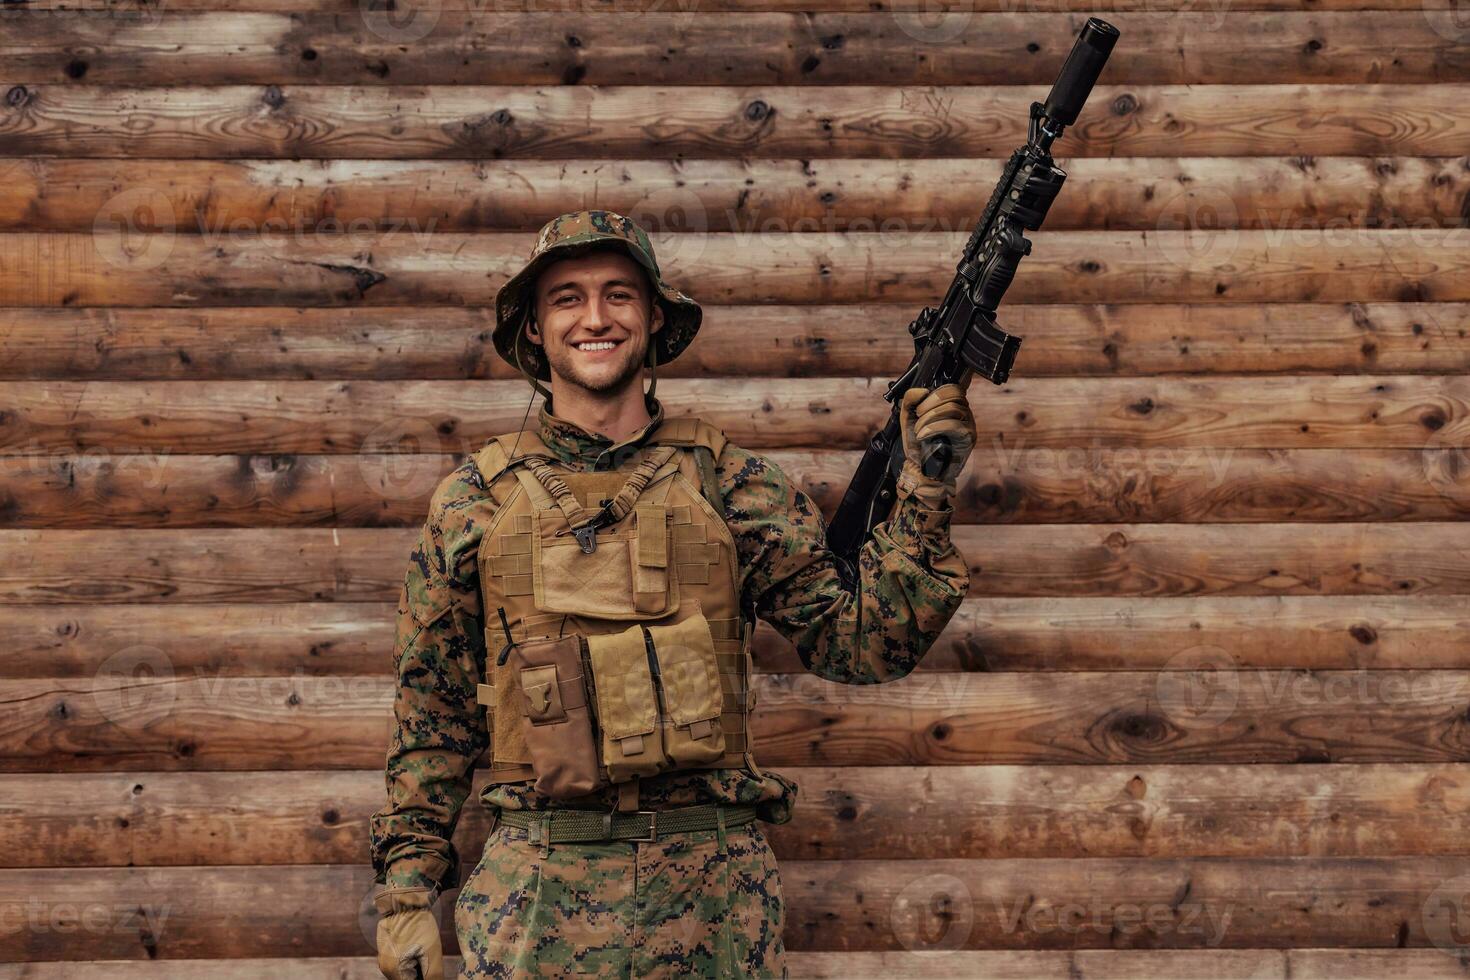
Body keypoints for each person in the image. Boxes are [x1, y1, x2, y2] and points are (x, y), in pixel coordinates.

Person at [370, 210, 976, 979]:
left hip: (713, 891)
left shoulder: (733, 484)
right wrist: (404, 892)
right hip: (536, 891)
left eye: (620, 295)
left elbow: (857, 643)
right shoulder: (472, 503)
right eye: (567, 298)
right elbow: (434, 712)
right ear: (532, 328)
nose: (596, 318)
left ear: (654, 316)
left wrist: (924, 490)